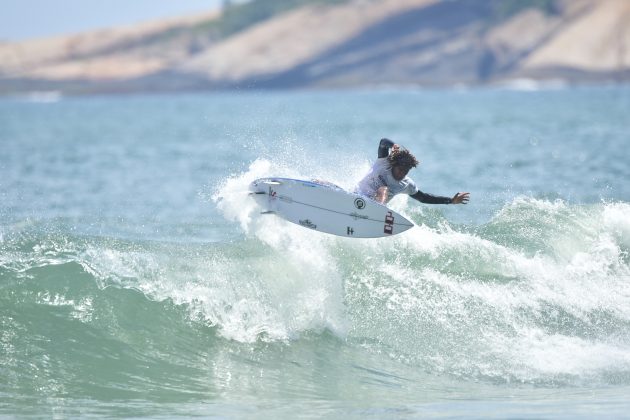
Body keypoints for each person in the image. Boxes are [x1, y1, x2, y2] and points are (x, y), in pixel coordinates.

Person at [355, 138, 469, 205]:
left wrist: (451, 200)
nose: (402, 174)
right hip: (356, 196)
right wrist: (393, 145)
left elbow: (424, 198)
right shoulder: (384, 162)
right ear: (394, 165)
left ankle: (377, 211)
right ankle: (377, 211)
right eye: (400, 169)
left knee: (384, 189)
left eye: (406, 171)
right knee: (384, 188)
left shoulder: (406, 184)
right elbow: (383, 142)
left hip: (373, 208)